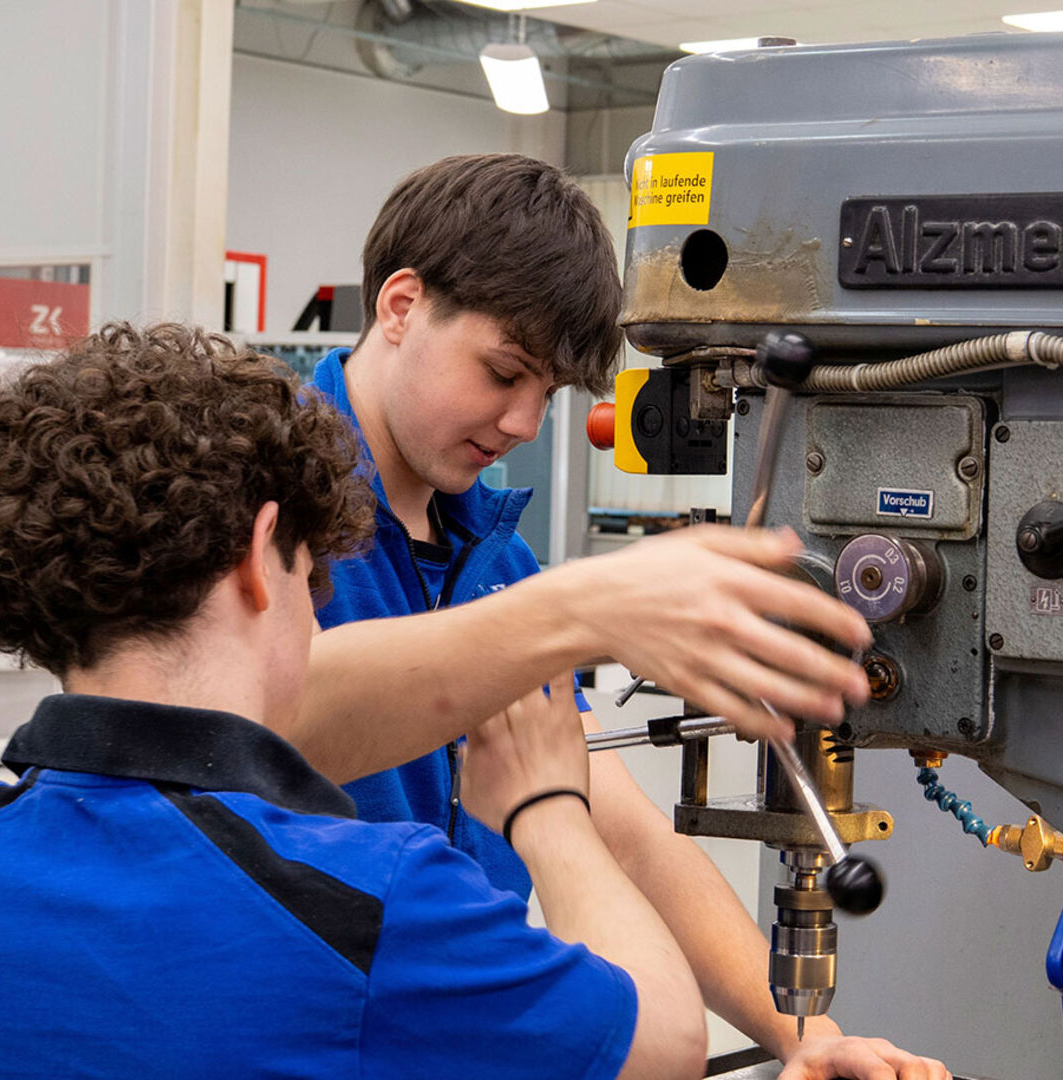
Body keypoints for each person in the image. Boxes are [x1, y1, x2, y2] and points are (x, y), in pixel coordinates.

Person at [0, 322, 707, 1080]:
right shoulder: (376, 908)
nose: (318, 612)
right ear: (254, 557)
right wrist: (549, 811)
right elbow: (664, 1041)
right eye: (309, 571)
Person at [289, 154, 950, 1080]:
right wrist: (579, 608)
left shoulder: (493, 557)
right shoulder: (264, 503)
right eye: (502, 372)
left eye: (549, 393)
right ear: (401, 307)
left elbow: (619, 824)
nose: (524, 422)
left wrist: (806, 1040)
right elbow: (265, 724)